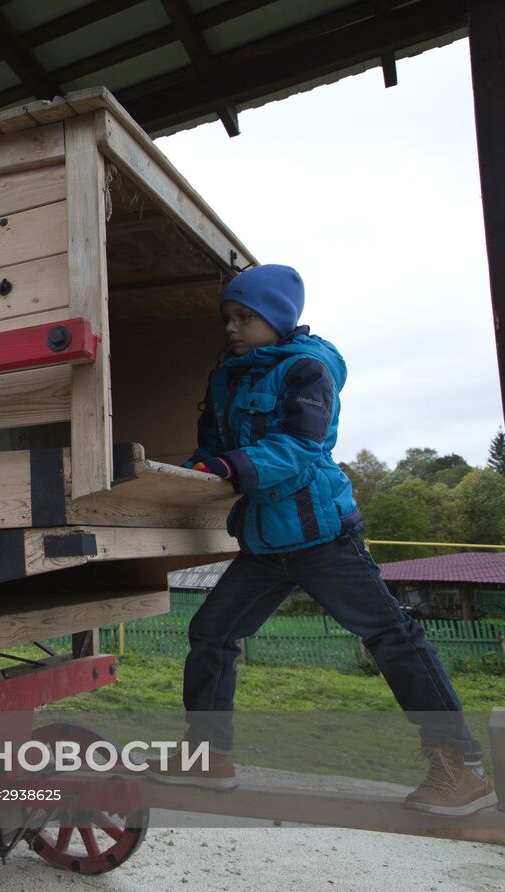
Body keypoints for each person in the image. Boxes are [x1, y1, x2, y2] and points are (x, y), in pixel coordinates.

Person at [148, 263, 495, 816]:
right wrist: (198, 468)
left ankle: (462, 767)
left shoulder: (308, 370)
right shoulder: (228, 376)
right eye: (228, 318)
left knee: (392, 637)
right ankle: (208, 756)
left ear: (279, 319)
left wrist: (230, 464)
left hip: (321, 535)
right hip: (264, 540)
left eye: (246, 316)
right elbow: (213, 444)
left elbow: (300, 448)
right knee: (211, 632)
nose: (232, 328)